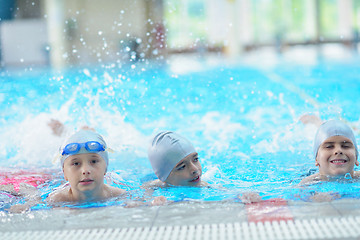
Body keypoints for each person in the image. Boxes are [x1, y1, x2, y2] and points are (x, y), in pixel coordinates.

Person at [143, 131, 261, 204]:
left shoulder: (202, 184)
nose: (194, 169)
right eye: (182, 167)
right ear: (164, 176)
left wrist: (241, 195)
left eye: (195, 159)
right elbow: (142, 194)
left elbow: (224, 191)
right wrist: (150, 201)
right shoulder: (156, 185)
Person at [47, 130, 126, 203]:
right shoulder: (56, 200)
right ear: (64, 173)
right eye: (76, 163)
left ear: (105, 168)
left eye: (94, 161)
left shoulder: (121, 197)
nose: (85, 170)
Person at [299, 119, 359, 186]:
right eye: (329, 146)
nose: (338, 151)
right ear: (316, 159)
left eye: (346, 146)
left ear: (356, 157)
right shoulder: (306, 186)